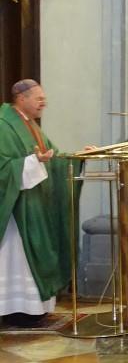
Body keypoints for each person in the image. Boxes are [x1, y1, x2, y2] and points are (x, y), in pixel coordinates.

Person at [0, 80, 83, 326]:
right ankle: (15, 309)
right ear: (21, 98)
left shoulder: (30, 124)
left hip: (35, 205)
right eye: (38, 98)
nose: (43, 103)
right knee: (18, 259)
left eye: (44, 98)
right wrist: (30, 163)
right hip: (17, 211)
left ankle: (34, 308)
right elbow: (4, 168)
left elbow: (51, 157)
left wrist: (77, 158)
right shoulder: (4, 125)